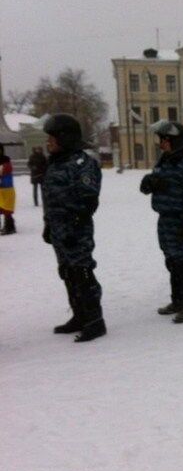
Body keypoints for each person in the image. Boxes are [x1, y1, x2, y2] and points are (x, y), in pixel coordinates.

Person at [41, 114, 105, 342]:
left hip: (76, 232)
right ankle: (79, 315)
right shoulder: (56, 163)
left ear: (65, 138)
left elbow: (89, 201)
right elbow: (51, 199)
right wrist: (49, 224)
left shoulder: (82, 164)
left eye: (52, 138)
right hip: (59, 230)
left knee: (82, 272)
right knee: (67, 272)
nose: (48, 142)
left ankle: (95, 320)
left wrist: (74, 227)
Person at [141, 120, 183, 322]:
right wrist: (148, 183)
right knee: (172, 261)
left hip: (180, 220)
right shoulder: (165, 161)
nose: (162, 144)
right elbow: (149, 187)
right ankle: (177, 300)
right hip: (165, 219)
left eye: (165, 140)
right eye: (161, 140)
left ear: (176, 141)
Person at [0, 144, 16, 235]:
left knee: (7, 209)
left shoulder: (6, 160)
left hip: (6, 188)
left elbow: (5, 170)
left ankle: (9, 227)